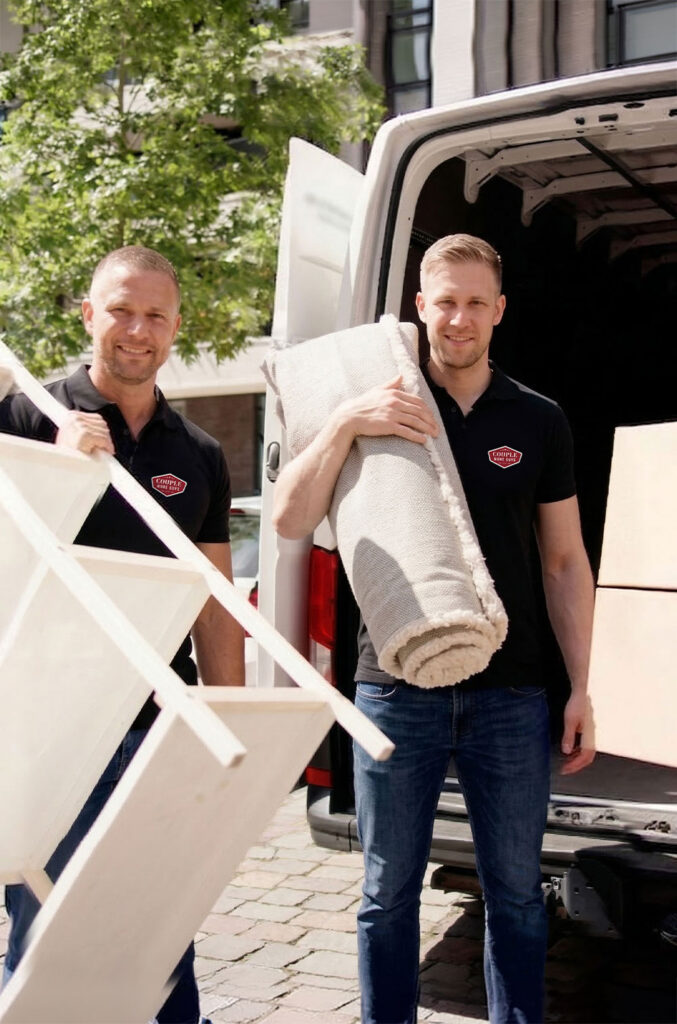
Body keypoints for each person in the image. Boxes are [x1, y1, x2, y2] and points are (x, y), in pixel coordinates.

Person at [272, 234, 596, 1024]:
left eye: (475, 302)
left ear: (499, 311)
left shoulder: (537, 419)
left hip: (511, 695)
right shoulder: (378, 404)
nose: (459, 318)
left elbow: (563, 562)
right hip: (393, 689)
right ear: (419, 307)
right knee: (385, 893)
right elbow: (287, 519)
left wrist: (581, 687)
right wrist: (346, 422)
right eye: (444, 301)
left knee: (515, 893)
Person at [0, 245, 245, 1024]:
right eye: (120, 311)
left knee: (160, 933)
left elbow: (212, 603)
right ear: (87, 315)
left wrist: (227, 728)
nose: (137, 330)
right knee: (49, 936)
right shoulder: (24, 419)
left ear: (176, 327)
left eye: (154, 315)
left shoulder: (197, 452)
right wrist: (57, 471)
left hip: (153, 727)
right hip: (47, 731)